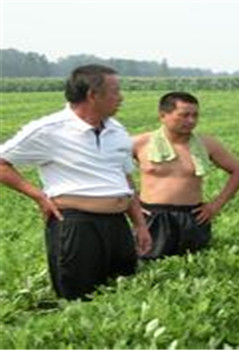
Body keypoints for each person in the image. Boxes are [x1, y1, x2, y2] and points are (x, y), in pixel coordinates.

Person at [0, 64, 152, 300]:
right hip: (77, 225)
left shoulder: (117, 130)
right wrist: (39, 196)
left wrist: (140, 225)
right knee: (80, 297)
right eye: (115, 91)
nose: (121, 97)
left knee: (122, 295)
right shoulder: (49, 129)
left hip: (117, 224)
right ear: (92, 95)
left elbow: (126, 179)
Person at [132, 92, 239, 259]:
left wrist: (215, 206)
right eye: (184, 115)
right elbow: (110, 170)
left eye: (195, 115)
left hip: (192, 217)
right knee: (146, 267)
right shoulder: (139, 143)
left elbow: (238, 171)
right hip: (151, 217)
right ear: (163, 116)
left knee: (193, 267)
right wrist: (132, 203)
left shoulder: (207, 144)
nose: (191, 121)